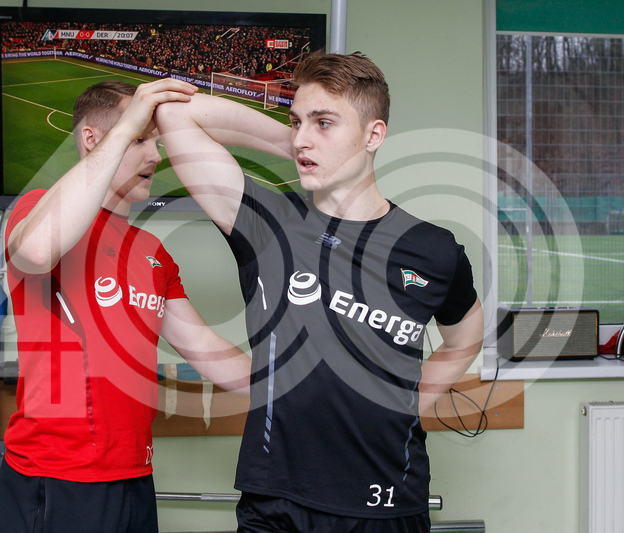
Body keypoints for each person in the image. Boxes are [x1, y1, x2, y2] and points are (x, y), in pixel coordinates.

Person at [155, 52, 484, 532]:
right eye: (297, 122)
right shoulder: (268, 224)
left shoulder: (433, 250)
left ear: (373, 135)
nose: (302, 137)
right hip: (277, 503)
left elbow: (464, 340)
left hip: (387, 506)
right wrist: (296, 143)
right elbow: (174, 113)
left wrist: (412, 402)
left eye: (324, 122)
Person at [0, 78, 252, 533]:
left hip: (134, 474)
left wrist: (300, 385)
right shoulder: (37, 209)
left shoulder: (152, 251)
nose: (155, 156)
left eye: (156, 142)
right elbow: (34, 252)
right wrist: (123, 131)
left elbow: (205, 348)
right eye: (139, 140)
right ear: (92, 139)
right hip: (56, 477)